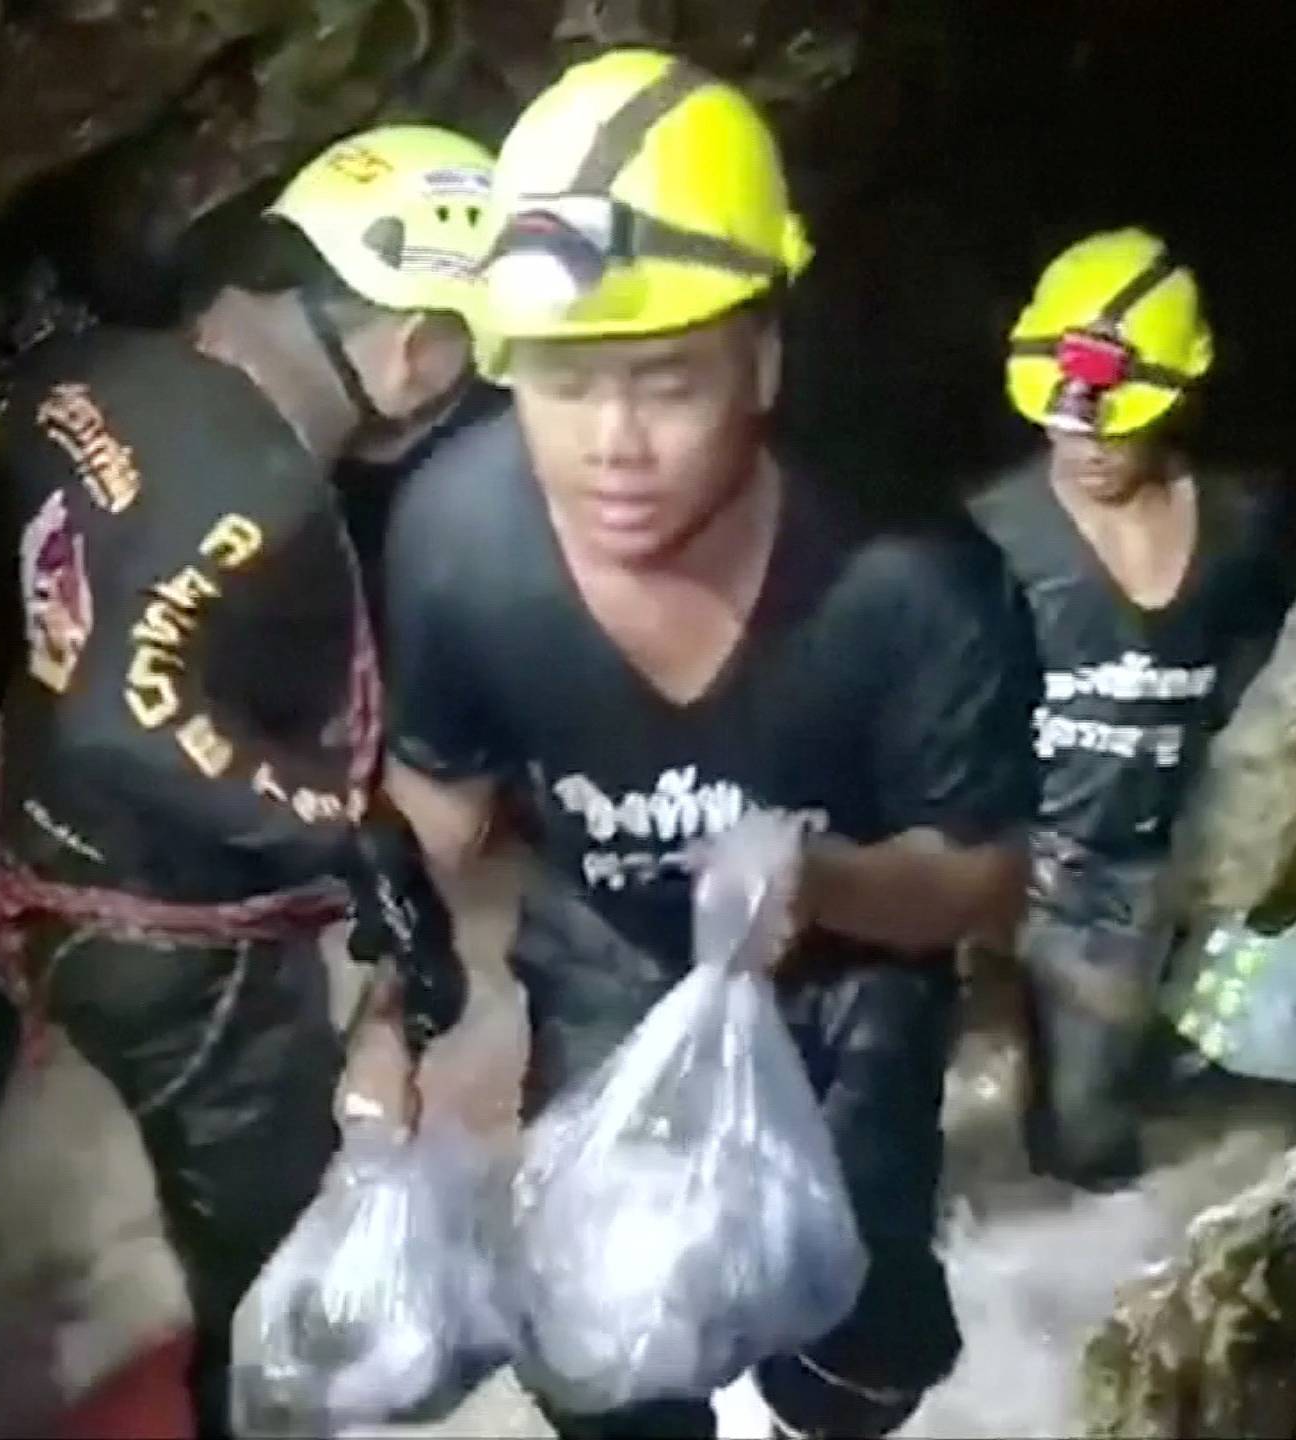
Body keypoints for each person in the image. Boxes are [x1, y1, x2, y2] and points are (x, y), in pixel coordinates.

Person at [361, 49, 1038, 1440]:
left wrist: (828, 886)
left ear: (764, 357)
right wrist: (390, 1017)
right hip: (607, 964)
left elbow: (984, 878)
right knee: (609, 1365)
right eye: (561, 382)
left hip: (849, 999)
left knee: (849, 1342)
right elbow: (441, 804)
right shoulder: (456, 542)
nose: (612, 443)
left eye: (667, 382)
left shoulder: (911, 580)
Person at [0, 124, 491, 1438]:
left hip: (13, 832)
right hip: (163, 930)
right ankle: (247, 1413)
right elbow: (126, 718)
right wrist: (346, 832)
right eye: (461, 370)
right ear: (417, 352)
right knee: (273, 1242)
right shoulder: (259, 492)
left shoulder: (92, 371)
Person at [967, 228, 1293, 1190]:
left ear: (1179, 395)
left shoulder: (1241, 527)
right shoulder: (988, 534)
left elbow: (1274, 687)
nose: (1088, 442)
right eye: (1065, 420)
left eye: (1115, 421)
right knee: (1068, 1128)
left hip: (1181, 860)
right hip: (1040, 872)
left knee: (1177, 1111)